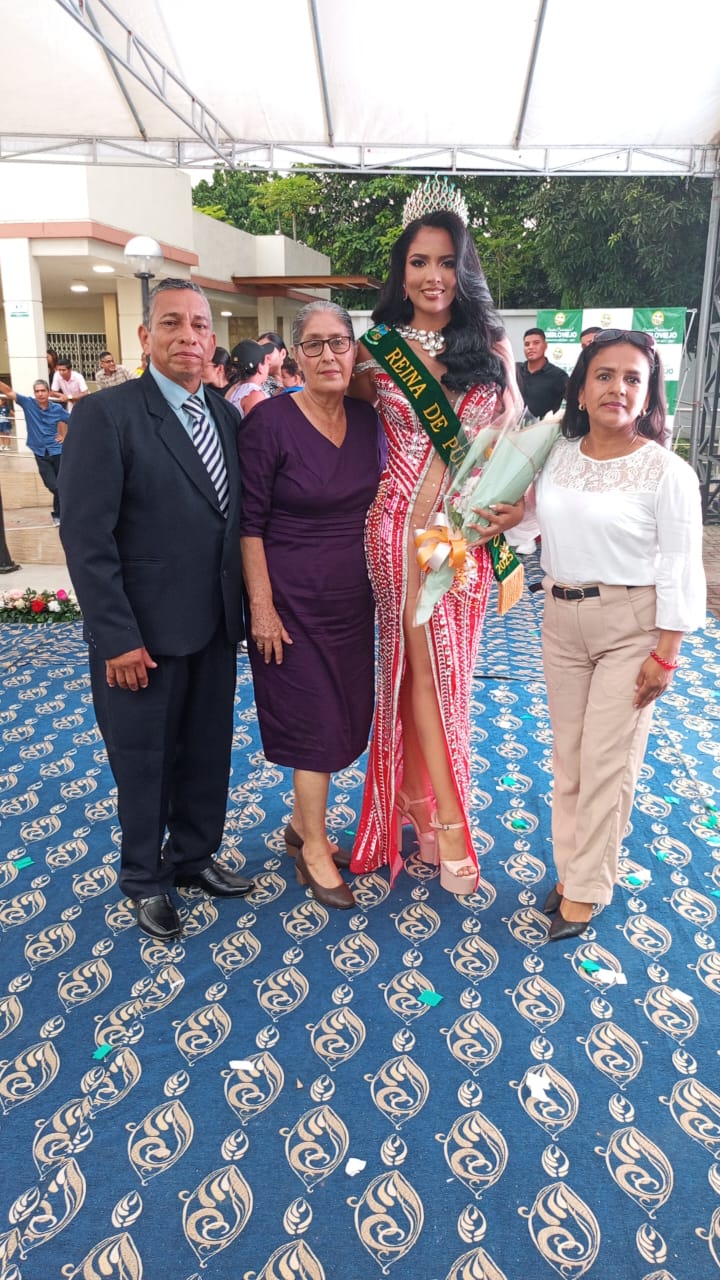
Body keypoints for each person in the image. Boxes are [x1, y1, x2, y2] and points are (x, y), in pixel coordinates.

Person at [59, 279, 253, 942]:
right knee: (144, 763)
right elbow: (86, 538)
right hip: (140, 637)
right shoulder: (106, 415)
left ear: (212, 339)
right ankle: (144, 877)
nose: (187, 337)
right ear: (145, 337)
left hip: (214, 625)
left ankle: (193, 857)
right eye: (171, 323)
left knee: (206, 753)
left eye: (199, 325)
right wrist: (115, 637)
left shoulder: (226, 416)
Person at [348, 180, 523, 895]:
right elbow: (341, 437)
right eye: (419, 262)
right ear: (402, 271)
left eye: (446, 262)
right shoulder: (374, 352)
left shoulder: (491, 351)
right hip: (398, 536)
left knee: (452, 675)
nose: (432, 276)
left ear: (464, 269)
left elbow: (508, 454)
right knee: (421, 672)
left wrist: (513, 509)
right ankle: (448, 822)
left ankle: (417, 809)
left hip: (467, 544)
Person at [534, 329, 705, 941]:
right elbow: (528, 521)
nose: (618, 388)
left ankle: (585, 887)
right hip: (559, 620)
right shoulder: (556, 456)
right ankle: (571, 870)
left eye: (634, 379)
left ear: (649, 394)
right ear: (581, 390)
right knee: (569, 760)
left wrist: (667, 654)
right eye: (604, 375)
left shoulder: (667, 471)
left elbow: (680, 563)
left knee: (607, 760)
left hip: (630, 626)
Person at [239, 301, 384, 911]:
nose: (329, 355)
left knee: (347, 718)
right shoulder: (269, 422)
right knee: (315, 724)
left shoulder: (368, 419)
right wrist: (262, 608)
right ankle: (315, 849)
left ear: (354, 351)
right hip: (290, 606)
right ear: (295, 356)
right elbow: (248, 525)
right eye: (315, 344)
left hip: (353, 604)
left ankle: (302, 825)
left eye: (339, 343)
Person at [0, 377, 69, 524]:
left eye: (43, 391)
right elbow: (9, 391)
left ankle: (58, 515)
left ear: (48, 392)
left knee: (61, 485)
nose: (40, 394)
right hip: (40, 452)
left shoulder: (57, 409)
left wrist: (64, 436)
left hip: (57, 451)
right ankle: (62, 513)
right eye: (37, 391)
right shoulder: (28, 403)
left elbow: (73, 420)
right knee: (53, 485)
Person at [516, 328, 568, 420]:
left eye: (536, 343)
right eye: (527, 344)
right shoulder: (515, 370)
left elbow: (575, 401)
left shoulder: (558, 376)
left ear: (545, 346)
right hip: (512, 427)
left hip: (544, 427)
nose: (530, 347)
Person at [226, 341, 273, 418]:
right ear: (260, 367)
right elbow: (259, 425)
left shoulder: (233, 391)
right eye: (266, 362)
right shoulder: (254, 396)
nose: (269, 365)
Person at [256, 331, 288, 396]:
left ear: (282, 353)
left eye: (267, 349)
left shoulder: (300, 378)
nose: (263, 355)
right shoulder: (257, 383)